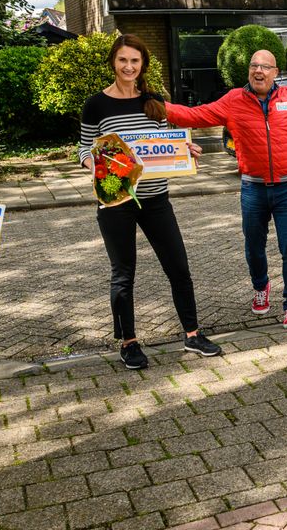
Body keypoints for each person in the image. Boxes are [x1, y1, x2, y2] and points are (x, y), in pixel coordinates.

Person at [80, 35, 221, 370]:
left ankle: (192, 334)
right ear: (113, 62)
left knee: (179, 268)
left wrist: (186, 151)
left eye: (135, 61)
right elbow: (84, 148)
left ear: (142, 65)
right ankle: (128, 343)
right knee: (123, 274)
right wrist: (97, 166)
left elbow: (166, 143)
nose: (129, 67)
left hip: (157, 197)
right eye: (123, 60)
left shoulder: (154, 101)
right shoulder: (96, 104)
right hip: (116, 201)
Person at [165, 50, 287, 328]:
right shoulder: (233, 100)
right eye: (254, 65)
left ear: (275, 72)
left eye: (265, 67)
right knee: (254, 246)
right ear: (248, 71)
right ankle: (260, 287)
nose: (259, 71)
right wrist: (159, 107)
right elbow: (195, 115)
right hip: (253, 189)